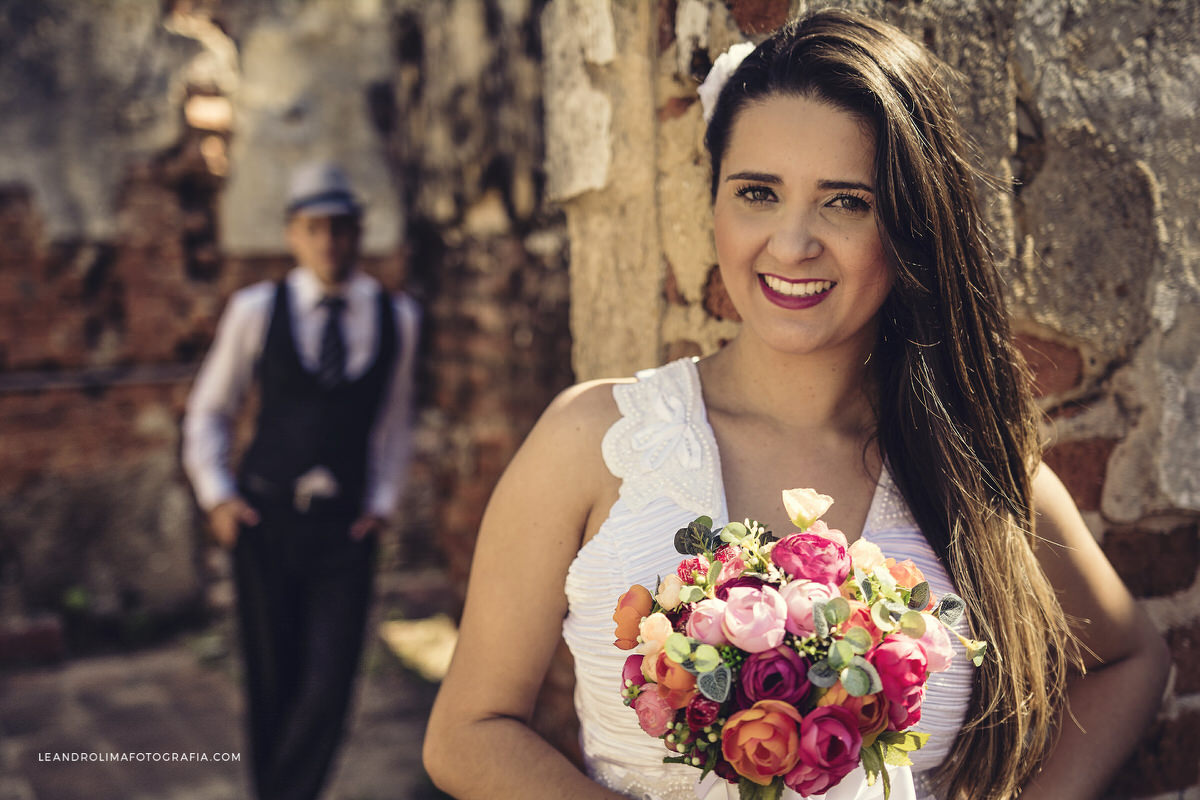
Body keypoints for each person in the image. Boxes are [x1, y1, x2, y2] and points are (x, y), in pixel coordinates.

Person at [423, 9, 1168, 800]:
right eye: (758, 193)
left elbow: (1129, 661)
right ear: (715, 203)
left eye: (845, 202)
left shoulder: (973, 466)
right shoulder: (591, 439)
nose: (791, 243)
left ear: (911, 225)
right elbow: (468, 734)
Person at [183, 161, 419, 800]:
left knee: (330, 683)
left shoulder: (396, 318)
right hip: (266, 522)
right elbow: (210, 408)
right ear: (292, 234)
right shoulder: (256, 311)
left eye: (341, 228)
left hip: (344, 531)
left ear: (358, 234)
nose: (328, 243)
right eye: (314, 228)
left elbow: (394, 426)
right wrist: (218, 497)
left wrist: (382, 503)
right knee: (271, 678)